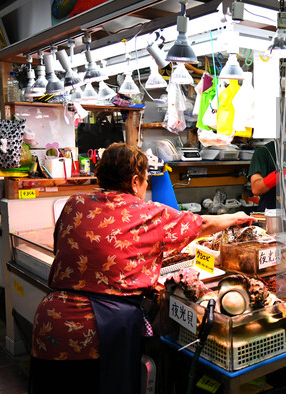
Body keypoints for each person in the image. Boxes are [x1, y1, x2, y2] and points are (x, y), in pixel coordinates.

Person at [29, 143, 254, 394]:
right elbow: (200, 225)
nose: (146, 186)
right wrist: (236, 217)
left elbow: (61, 246)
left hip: (50, 320)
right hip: (98, 331)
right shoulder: (146, 212)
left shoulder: (74, 203)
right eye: (146, 180)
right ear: (135, 181)